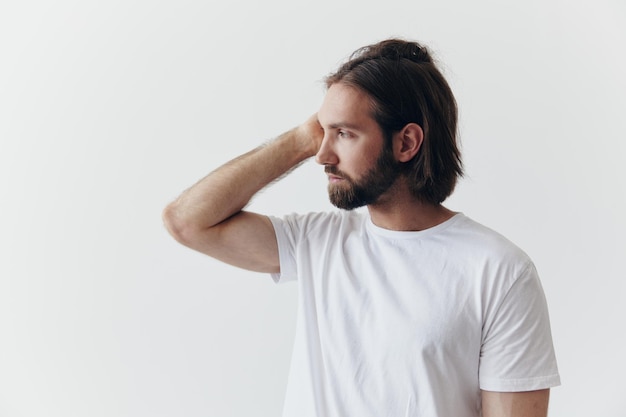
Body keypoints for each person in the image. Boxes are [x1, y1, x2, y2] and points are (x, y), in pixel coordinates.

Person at [162, 39, 560, 417]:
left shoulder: (499, 271)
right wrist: (302, 138)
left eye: (344, 133)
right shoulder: (316, 243)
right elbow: (187, 222)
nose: (322, 155)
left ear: (406, 143)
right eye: (323, 130)